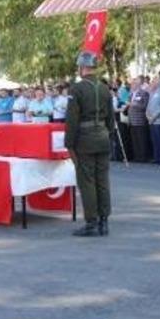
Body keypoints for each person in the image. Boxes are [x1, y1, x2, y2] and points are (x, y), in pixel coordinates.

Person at [65, 51, 115, 237]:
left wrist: (69, 144)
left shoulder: (76, 89)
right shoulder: (104, 88)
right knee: (103, 180)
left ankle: (91, 222)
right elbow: (111, 118)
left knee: (87, 182)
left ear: (82, 67)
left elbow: (72, 120)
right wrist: (106, 133)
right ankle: (104, 221)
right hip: (102, 137)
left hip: (85, 140)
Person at [146, 77, 160, 166]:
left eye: (154, 81)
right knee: (154, 140)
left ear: (158, 82)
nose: (152, 83)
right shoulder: (152, 92)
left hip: (159, 120)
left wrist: (154, 117)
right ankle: (156, 157)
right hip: (151, 120)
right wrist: (147, 115)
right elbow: (148, 105)